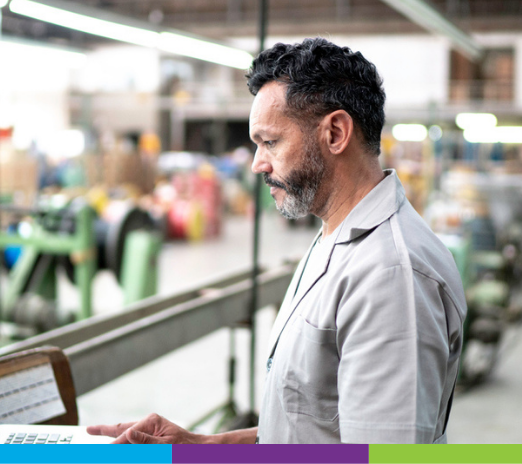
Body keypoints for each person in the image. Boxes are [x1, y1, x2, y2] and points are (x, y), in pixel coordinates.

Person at [88, 37, 467, 444]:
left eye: (270, 142)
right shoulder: (337, 235)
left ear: (336, 133)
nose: (257, 164)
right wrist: (207, 447)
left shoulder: (392, 277)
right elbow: (311, 426)